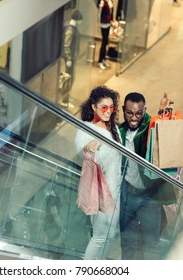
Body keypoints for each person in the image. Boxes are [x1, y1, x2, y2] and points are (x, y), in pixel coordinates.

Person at [118, 92, 176, 260]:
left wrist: (162, 113)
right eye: (129, 113)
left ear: (144, 111)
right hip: (128, 194)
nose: (134, 117)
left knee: (151, 244)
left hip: (149, 197)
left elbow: (157, 128)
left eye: (138, 113)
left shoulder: (147, 128)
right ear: (124, 110)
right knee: (127, 243)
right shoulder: (120, 131)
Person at [75, 85, 122, 260]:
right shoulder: (86, 129)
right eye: (104, 107)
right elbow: (84, 152)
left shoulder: (114, 129)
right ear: (94, 107)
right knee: (100, 236)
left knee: (109, 236)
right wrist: (90, 148)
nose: (108, 111)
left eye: (111, 107)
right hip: (101, 192)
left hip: (115, 190)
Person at [59, 10, 83, 107]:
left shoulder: (70, 27)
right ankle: (65, 100)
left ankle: (65, 97)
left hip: (70, 58)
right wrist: (69, 58)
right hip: (69, 59)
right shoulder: (70, 30)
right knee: (70, 78)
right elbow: (66, 45)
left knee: (70, 78)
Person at [97, 0, 114, 70]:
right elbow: (99, 14)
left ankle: (104, 59)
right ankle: (100, 60)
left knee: (106, 42)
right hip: (103, 24)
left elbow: (111, 13)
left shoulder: (110, 2)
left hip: (108, 24)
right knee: (104, 43)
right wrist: (98, 25)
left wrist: (112, 22)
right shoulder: (102, 2)